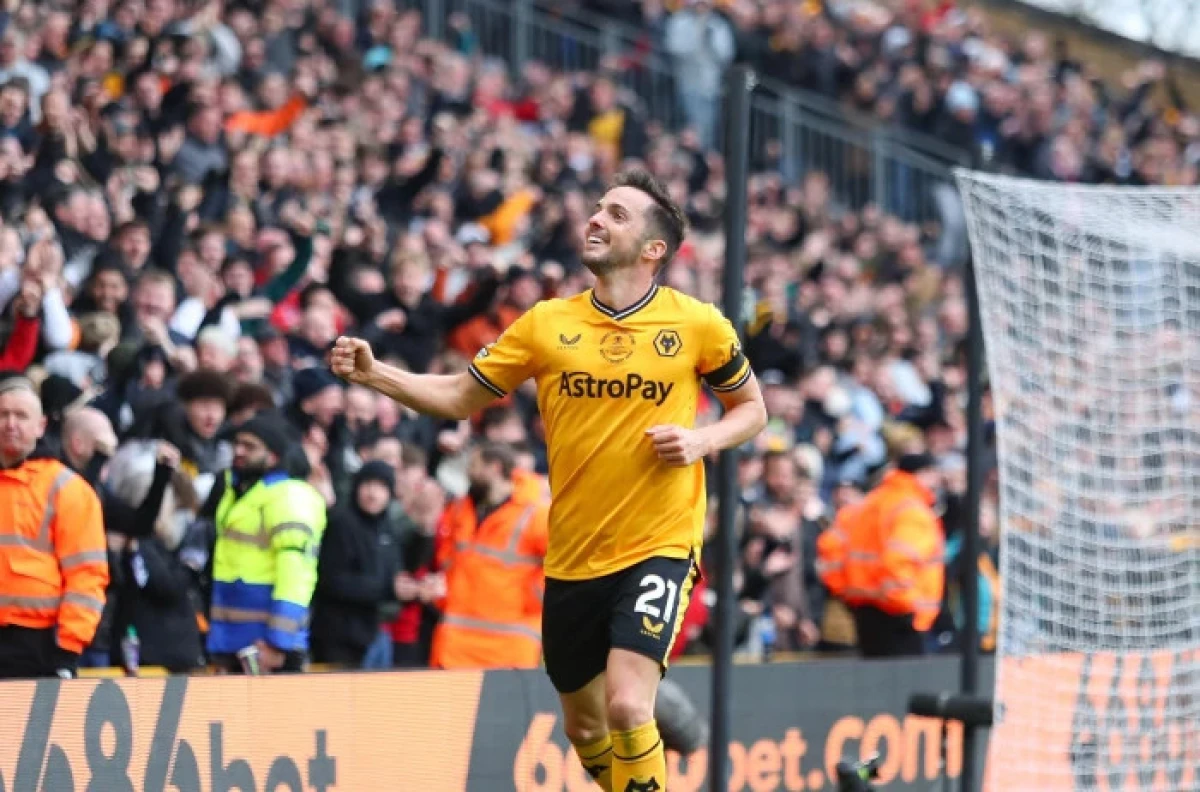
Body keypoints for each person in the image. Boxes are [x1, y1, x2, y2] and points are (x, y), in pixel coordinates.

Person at [332, 169, 767, 791]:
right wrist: (378, 376)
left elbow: (752, 410)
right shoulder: (545, 324)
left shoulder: (698, 325)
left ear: (654, 249)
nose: (595, 219)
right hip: (571, 558)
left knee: (627, 707)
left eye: (616, 214)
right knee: (587, 731)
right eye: (597, 209)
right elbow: (459, 396)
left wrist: (702, 440)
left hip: (658, 546)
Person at [0, 376, 108, 679]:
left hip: (38, 645)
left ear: (41, 426)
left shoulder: (67, 488)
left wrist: (68, 648)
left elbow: (87, 576)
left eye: (21, 416)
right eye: (3, 414)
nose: (10, 423)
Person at [206, 413, 327, 673]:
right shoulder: (236, 493)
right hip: (234, 641)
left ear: (273, 455)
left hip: (269, 648)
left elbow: (296, 576)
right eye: (237, 444)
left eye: (250, 446)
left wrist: (279, 643)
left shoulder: (288, 497)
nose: (238, 451)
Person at [428, 441, 549, 670]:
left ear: (494, 468)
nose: (468, 472)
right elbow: (448, 557)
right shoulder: (459, 510)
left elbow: (562, 562)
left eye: (474, 465)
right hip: (456, 642)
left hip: (510, 645)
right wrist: (442, 589)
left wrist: (534, 595)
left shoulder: (535, 514)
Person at [816, 452, 946, 658]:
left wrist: (846, 592)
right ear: (924, 473)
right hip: (900, 619)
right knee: (904, 687)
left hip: (863, 612)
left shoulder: (866, 503)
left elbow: (830, 548)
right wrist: (905, 606)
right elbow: (898, 561)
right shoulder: (912, 509)